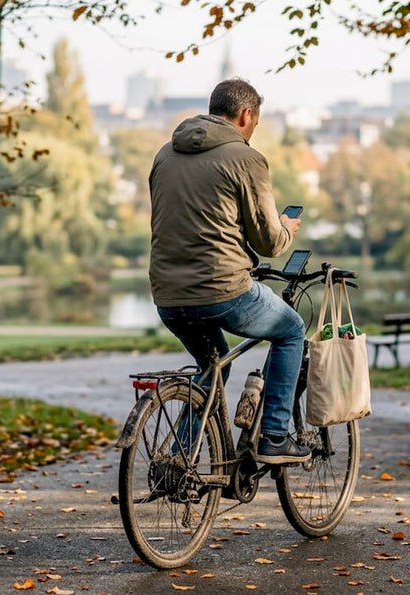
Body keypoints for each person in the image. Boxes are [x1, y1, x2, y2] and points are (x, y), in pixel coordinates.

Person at [148, 78, 309, 465]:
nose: (254, 129)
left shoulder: (165, 154)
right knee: (291, 331)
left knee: (214, 361)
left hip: (167, 294)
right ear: (246, 115)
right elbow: (268, 243)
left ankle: (178, 460)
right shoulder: (244, 157)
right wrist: (286, 228)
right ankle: (273, 434)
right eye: (256, 121)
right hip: (224, 291)